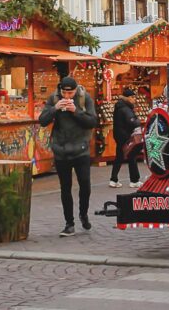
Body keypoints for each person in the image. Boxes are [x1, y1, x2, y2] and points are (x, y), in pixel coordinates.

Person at [38, 75, 98, 237]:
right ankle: (69, 223)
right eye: (64, 93)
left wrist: (75, 111)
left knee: (85, 184)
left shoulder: (84, 98)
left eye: (70, 93)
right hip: (61, 150)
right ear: (60, 90)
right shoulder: (54, 98)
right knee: (65, 188)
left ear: (75, 90)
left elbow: (93, 122)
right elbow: (42, 121)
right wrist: (54, 108)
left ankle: (83, 214)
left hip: (81, 150)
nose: (67, 96)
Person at [109, 87, 142, 189]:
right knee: (131, 156)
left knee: (119, 157)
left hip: (119, 135)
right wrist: (138, 121)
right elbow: (132, 121)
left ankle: (113, 180)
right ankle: (134, 180)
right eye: (132, 97)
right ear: (127, 98)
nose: (134, 99)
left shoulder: (120, 106)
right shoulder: (125, 108)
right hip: (126, 136)